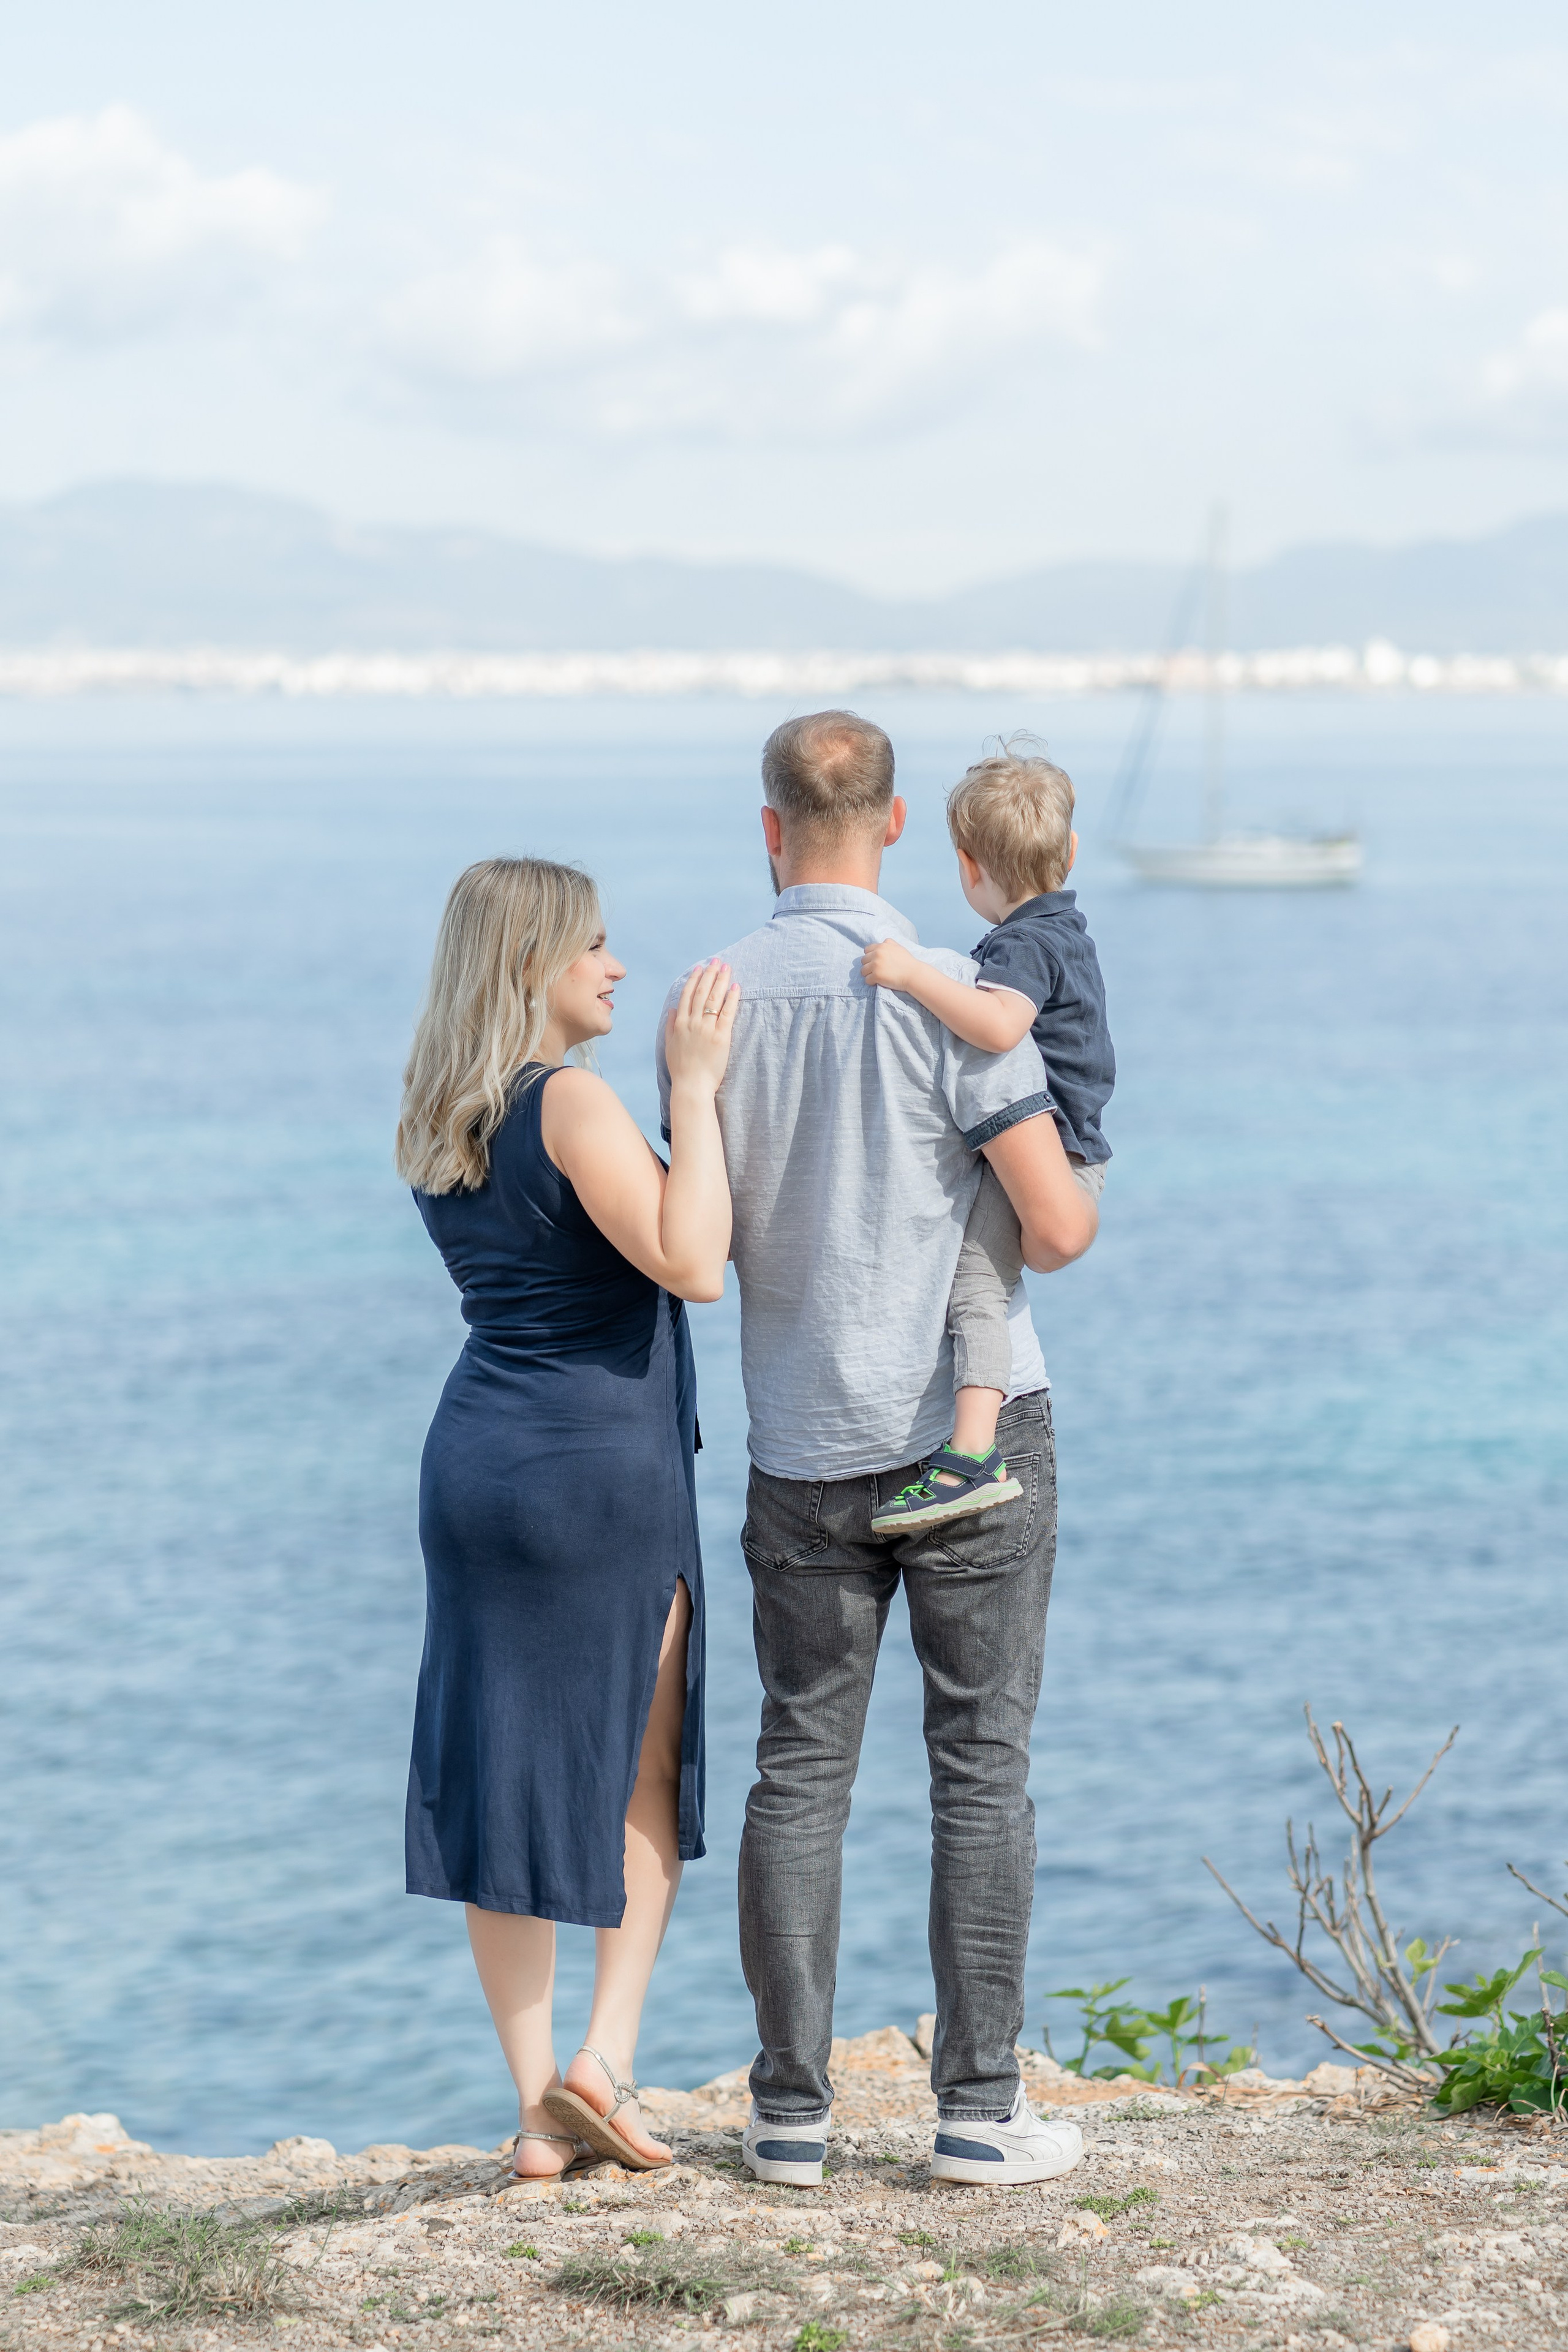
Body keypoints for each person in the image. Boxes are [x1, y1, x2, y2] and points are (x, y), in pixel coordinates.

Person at [656, 712, 1098, 2190]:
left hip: (800, 1450)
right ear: (899, 824)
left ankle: (788, 2118)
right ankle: (975, 2113)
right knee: (980, 1771)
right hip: (964, 1441)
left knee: (799, 1775)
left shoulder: (712, 999)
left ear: (768, 826)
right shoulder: (962, 993)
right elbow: (1051, 1223)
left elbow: (696, 1228)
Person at [398, 855, 739, 2177]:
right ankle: (602, 2062)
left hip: (478, 1461)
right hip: (595, 1470)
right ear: (531, 963)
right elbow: (692, 1262)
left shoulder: (446, 1113)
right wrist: (695, 1096)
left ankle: (540, 2102)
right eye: (591, 946)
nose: (613, 966)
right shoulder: (570, 1103)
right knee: (637, 1764)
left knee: (504, 1772)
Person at [860, 740, 1114, 1532]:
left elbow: (1000, 1024)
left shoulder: (1020, 947)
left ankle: (971, 1456)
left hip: (1058, 1159)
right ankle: (971, 1447)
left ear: (968, 868)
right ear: (1070, 852)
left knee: (976, 1285)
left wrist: (912, 976)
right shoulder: (1066, 929)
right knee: (981, 1281)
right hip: (1078, 1152)